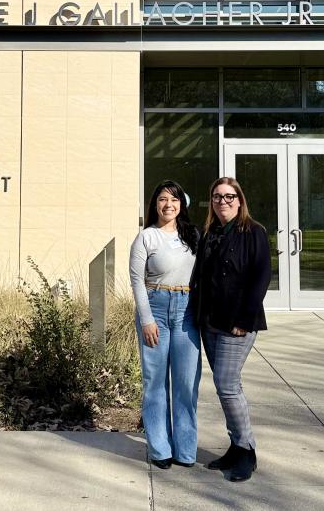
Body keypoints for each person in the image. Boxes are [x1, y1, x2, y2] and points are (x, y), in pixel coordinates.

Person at [190, 176, 271, 483]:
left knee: (227, 385)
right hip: (210, 322)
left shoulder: (253, 232)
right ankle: (236, 447)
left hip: (237, 324)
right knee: (226, 388)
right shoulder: (209, 233)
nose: (222, 202)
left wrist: (244, 319)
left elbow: (261, 278)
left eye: (228, 196)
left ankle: (247, 450)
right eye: (216, 197)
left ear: (239, 200)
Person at [128, 180, 201, 469]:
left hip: (187, 313)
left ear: (182, 204)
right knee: (155, 382)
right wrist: (146, 320)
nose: (168, 204)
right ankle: (160, 449)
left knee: (186, 383)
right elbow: (136, 280)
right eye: (162, 199)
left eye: (174, 199)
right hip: (155, 309)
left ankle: (185, 450)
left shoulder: (193, 236)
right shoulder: (146, 237)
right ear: (154, 204)